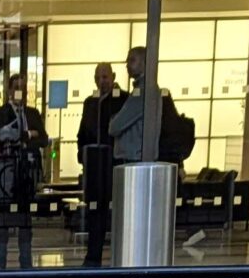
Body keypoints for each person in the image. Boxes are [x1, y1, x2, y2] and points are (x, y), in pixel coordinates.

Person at [0, 72, 48, 271]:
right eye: (16, 87)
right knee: (4, 217)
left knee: (25, 217)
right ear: (9, 90)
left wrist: (26, 136)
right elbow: (4, 134)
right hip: (7, 170)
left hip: (27, 169)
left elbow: (43, 139)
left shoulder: (32, 113)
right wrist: (27, 134)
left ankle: (26, 262)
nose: (19, 92)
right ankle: (1, 263)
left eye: (22, 88)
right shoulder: (0, 112)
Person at [108, 43, 195, 169]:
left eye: (132, 60)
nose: (127, 65)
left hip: (135, 158)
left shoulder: (143, 92)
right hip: (141, 157)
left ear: (145, 63)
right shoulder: (147, 90)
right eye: (127, 61)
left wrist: (113, 119)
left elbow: (114, 127)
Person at [77, 60, 125, 266]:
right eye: (98, 77)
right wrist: (82, 154)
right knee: (95, 211)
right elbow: (83, 132)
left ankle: (121, 256)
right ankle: (93, 256)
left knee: (117, 211)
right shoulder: (90, 103)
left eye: (105, 77)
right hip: (95, 165)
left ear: (113, 77)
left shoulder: (123, 100)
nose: (101, 81)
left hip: (114, 164)